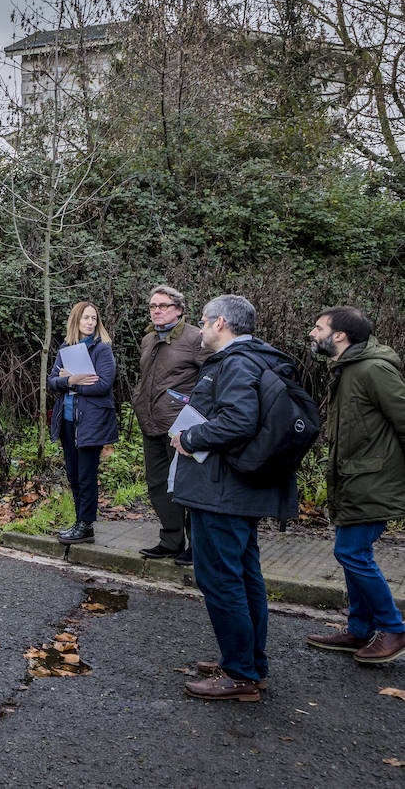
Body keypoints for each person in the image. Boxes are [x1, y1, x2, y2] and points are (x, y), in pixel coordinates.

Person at [172, 294, 299, 702]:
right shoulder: (259, 359)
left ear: (221, 323)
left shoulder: (236, 362)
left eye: (205, 322)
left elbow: (239, 420)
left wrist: (189, 436)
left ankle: (241, 673)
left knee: (222, 579)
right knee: (244, 577)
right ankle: (248, 662)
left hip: (222, 492)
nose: (202, 329)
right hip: (238, 489)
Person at [306, 306, 405, 664]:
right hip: (353, 478)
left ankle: (393, 628)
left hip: (373, 480)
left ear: (341, 336)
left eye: (319, 328)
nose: (313, 334)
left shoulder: (372, 369)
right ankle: (360, 629)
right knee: (352, 554)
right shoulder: (347, 368)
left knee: (351, 553)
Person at [132, 285, 206, 564]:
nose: (157, 311)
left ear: (179, 309)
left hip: (181, 428)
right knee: (158, 485)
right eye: (152, 306)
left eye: (163, 306)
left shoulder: (196, 338)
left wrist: (193, 415)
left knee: (185, 487)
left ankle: (197, 547)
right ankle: (171, 540)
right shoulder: (149, 339)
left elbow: (210, 380)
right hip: (150, 423)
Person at [47, 301, 119, 545]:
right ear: (75, 321)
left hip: (92, 421)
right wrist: (69, 382)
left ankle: (86, 525)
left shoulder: (102, 349)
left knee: (86, 475)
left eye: (94, 318)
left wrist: (72, 381)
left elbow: (102, 385)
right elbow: (52, 381)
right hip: (67, 421)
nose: (90, 322)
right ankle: (79, 522)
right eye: (86, 318)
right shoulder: (66, 348)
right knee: (73, 474)